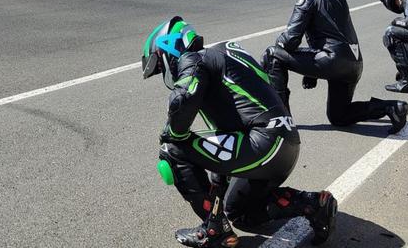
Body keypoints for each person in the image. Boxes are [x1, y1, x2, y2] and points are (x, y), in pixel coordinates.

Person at [143, 16, 337, 247]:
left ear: (168, 49)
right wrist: (216, 192)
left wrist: (170, 133)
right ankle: (312, 204)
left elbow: (182, 101)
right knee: (239, 212)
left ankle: (214, 230)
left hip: (263, 144)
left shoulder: (195, 59)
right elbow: (228, 133)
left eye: (158, 65)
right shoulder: (223, 55)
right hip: (283, 144)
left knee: (172, 149)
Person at [262, 0, 408, 134]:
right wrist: (311, 73)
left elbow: (290, 41)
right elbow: (327, 33)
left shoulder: (306, 0)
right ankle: (392, 107)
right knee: (339, 116)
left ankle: (280, 119)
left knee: (272, 54)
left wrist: (280, 45)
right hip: (353, 63)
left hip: (333, 60)